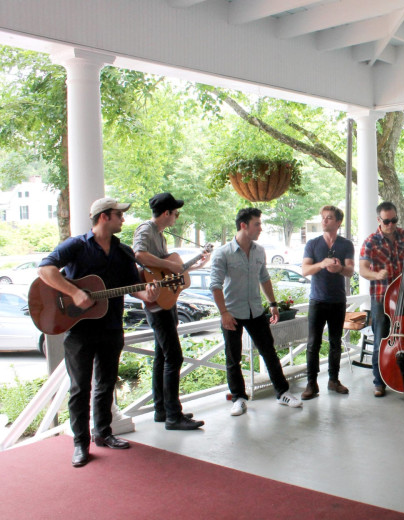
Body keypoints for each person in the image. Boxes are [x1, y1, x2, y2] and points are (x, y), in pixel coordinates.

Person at [38, 197, 160, 467]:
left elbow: (133, 286)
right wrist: (74, 292)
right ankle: (80, 444)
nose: (123, 219)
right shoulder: (77, 246)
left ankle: (103, 433)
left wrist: (148, 293)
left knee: (106, 384)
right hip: (79, 329)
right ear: (104, 217)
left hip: (112, 327)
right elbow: (45, 269)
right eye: (119, 215)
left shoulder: (123, 251)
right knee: (80, 388)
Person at [210, 207, 302, 415]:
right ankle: (239, 398)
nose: (260, 228)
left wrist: (273, 303)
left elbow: (264, 278)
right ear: (244, 226)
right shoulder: (222, 253)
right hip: (232, 312)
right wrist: (223, 312)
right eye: (257, 224)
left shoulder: (259, 251)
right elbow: (215, 286)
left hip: (256, 311)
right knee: (233, 358)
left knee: (269, 352)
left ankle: (283, 393)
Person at [133, 192, 207, 430]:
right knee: (174, 356)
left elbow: (167, 270)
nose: (177, 216)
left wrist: (192, 265)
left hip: (166, 301)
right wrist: (169, 264)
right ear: (166, 213)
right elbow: (140, 255)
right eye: (175, 213)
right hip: (156, 304)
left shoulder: (160, 235)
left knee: (162, 356)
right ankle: (174, 416)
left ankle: (162, 409)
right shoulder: (146, 229)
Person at [359, 201, 404, 397]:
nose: (391, 225)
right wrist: (375, 275)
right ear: (379, 220)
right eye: (387, 221)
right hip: (381, 297)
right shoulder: (371, 241)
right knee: (381, 339)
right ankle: (379, 382)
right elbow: (363, 270)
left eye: (394, 220)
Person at [300, 205, 355, 400]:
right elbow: (305, 270)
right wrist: (321, 264)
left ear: (338, 222)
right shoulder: (313, 244)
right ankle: (311, 384)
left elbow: (350, 271)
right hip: (317, 300)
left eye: (329, 218)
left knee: (335, 343)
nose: (324, 220)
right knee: (313, 343)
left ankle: (333, 380)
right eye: (323, 217)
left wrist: (339, 269)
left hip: (337, 301)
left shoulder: (346, 244)